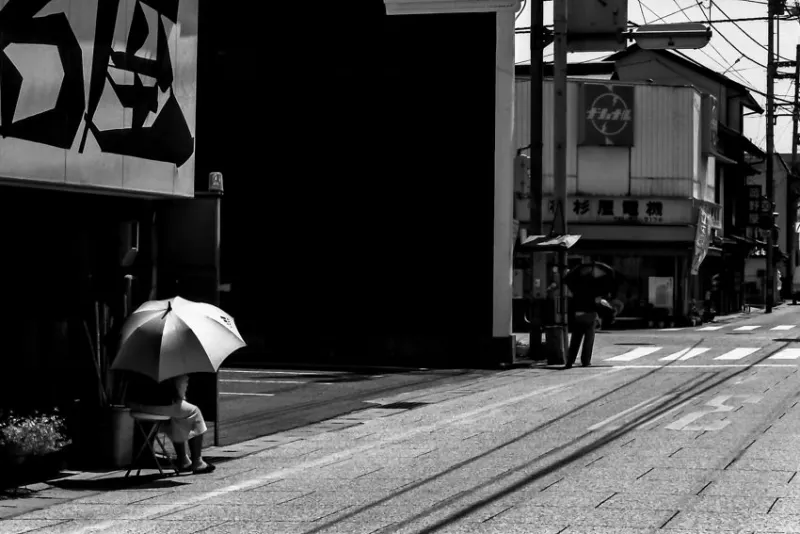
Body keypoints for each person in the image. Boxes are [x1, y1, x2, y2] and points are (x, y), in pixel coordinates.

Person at [126, 374, 216, 474]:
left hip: (136, 405)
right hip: (161, 404)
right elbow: (180, 393)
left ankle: (184, 460)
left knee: (177, 416)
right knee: (194, 412)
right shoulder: (174, 368)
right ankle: (197, 462)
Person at [566, 292, 615, 369]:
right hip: (590, 318)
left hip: (578, 317)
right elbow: (603, 305)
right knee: (588, 340)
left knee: (575, 340)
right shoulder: (593, 293)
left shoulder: (577, 292)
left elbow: (571, 306)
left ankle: (570, 360)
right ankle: (585, 361)